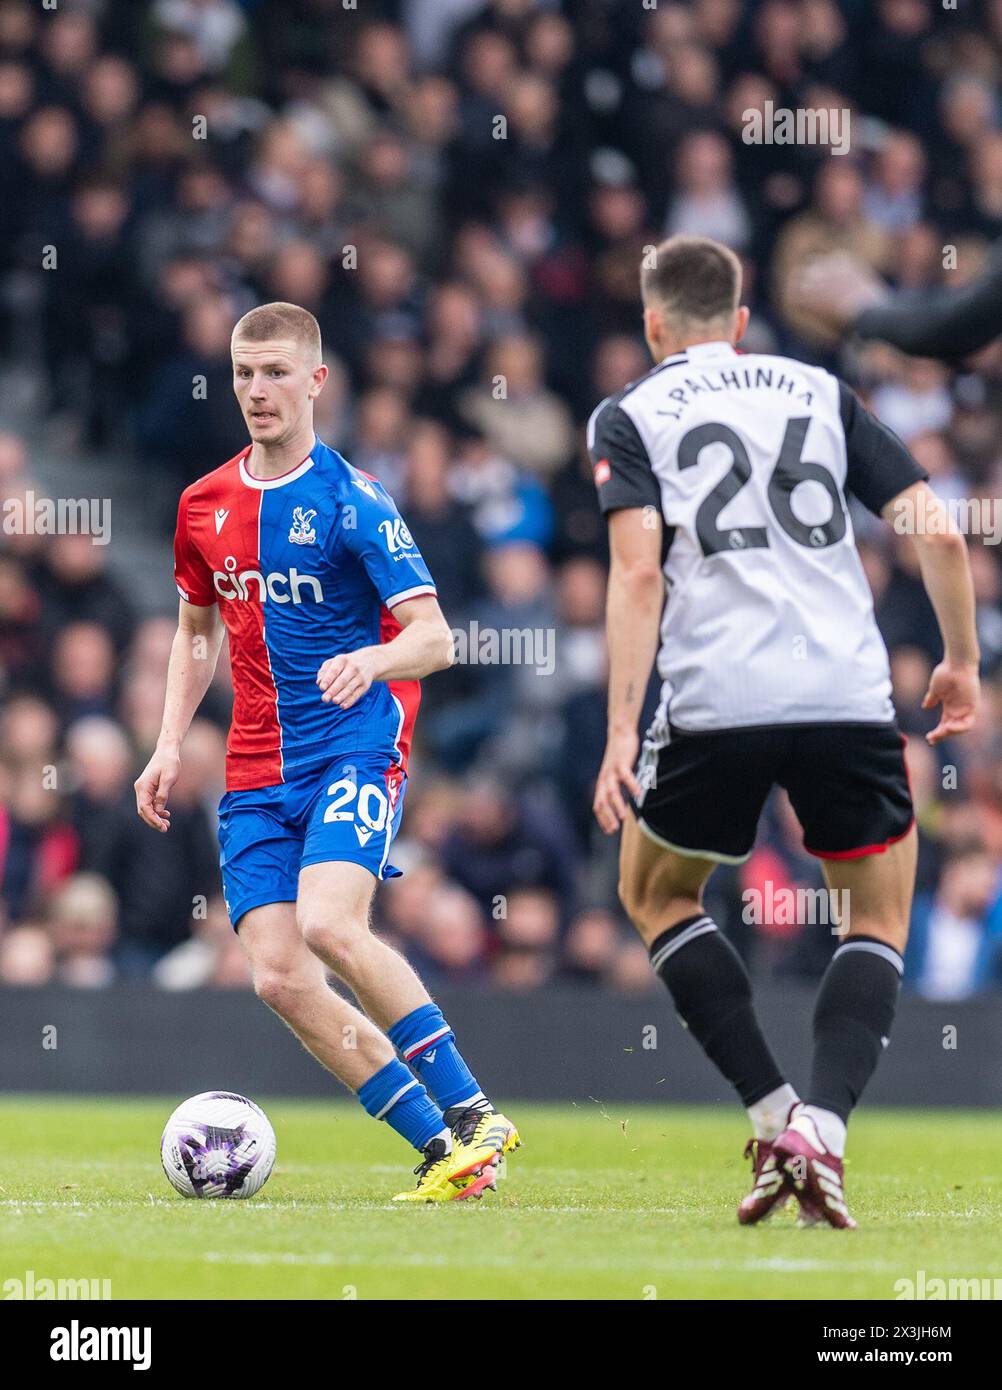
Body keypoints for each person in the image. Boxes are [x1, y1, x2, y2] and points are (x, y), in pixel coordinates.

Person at [590, 236, 979, 1229]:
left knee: (653, 890)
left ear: (653, 324)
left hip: (717, 695)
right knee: (878, 918)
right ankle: (826, 1132)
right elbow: (936, 527)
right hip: (846, 692)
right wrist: (959, 660)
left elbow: (637, 575)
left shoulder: (630, 413)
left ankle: (772, 1113)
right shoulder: (819, 391)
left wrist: (619, 730)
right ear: (742, 319)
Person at [134, 300, 519, 1202]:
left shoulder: (355, 499)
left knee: (330, 924)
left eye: (275, 373)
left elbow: (436, 638)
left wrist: (373, 657)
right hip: (253, 771)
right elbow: (197, 634)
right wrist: (165, 747)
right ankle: (445, 1152)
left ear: (316, 382)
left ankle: (472, 1110)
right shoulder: (202, 504)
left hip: (353, 745)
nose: (257, 390)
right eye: (242, 372)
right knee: (276, 976)